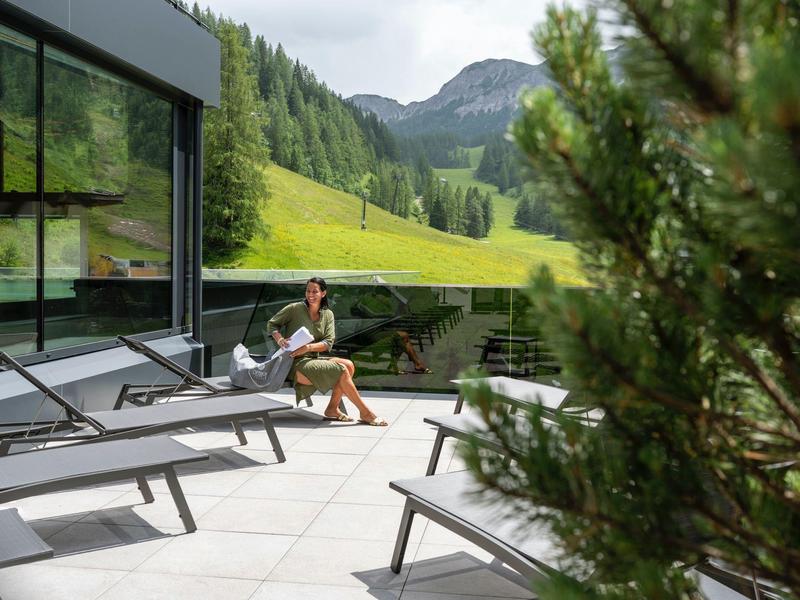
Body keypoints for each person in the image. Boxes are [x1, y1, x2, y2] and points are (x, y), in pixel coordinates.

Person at [266, 277, 388, 426]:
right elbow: (272, 325)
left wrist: (308, 348)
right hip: (293, 363)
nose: (310, 294)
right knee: (341, 369)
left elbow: (328, 343)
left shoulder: (328, 314)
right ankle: (365, 412)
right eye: (308, 291)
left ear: (323, 293)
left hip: (312, 359)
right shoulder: (294, 309)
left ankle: (332, 409)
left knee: (348, 365)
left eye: (315, 291)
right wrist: (280, 340)